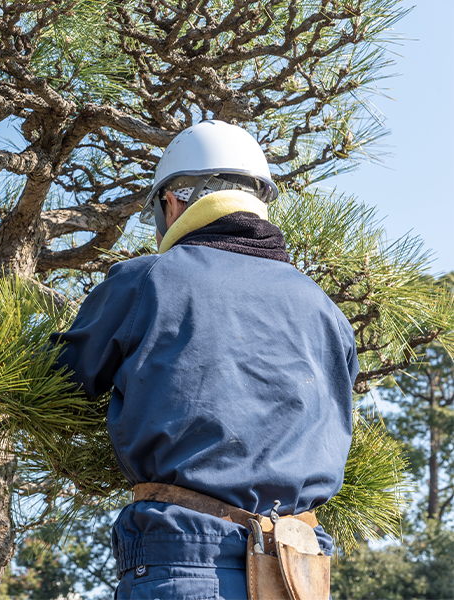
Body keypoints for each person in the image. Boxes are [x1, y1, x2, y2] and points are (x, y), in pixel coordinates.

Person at [50, 120, 358, 599]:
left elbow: (58, 383)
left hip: (188, 561)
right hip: (300, 573)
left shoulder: (145, 280)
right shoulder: (324, 308)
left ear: (172, 202)